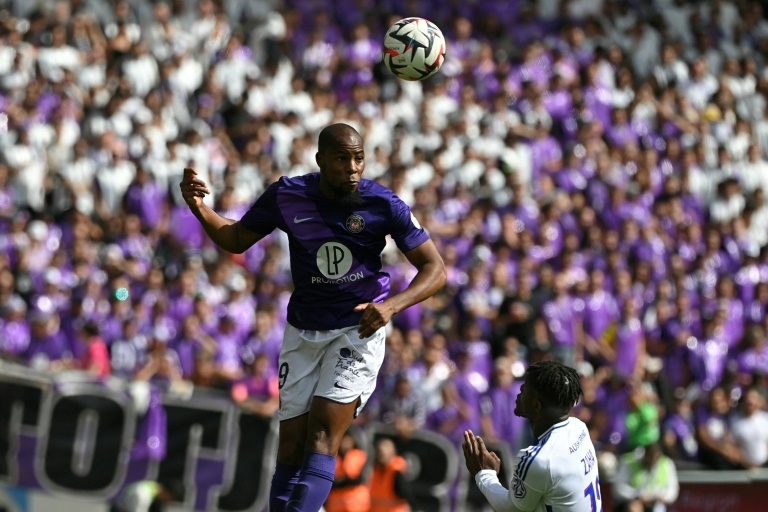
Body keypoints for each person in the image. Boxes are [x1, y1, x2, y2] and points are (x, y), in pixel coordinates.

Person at [179, 122, 446, 512]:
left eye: (359, 158)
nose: (353, 168)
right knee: (290, 447)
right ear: (320, 160)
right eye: (342, 159)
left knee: (322, 433)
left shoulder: (383, 204)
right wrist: (200, 208)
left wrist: (390, 307)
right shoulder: (288, 195)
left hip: (358, 330)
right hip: (303, 331)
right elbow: (237, 239)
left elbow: (435, 269)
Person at [462, 360, 603, 511]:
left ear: (537, 405)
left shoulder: (540, 460)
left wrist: (483, 474)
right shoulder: (578, 428)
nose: (520, 389)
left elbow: (510, 509)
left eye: (526, 388)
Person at [612, 442, 679, 512]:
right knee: (634, 507)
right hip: (632, 500)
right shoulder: (629, 462)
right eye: (650, 458)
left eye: (656, 459)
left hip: (657, 502)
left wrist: (661, 496)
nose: (652, 462)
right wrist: (638, 495)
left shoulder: (667, 464)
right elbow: (619, 488)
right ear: (645, 454)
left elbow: (672, 490)